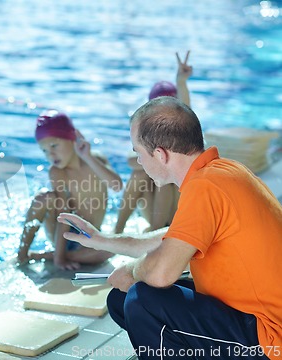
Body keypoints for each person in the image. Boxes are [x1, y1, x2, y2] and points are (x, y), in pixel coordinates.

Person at [58, 96, 282, 359]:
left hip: (268, 339)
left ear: (160, 154)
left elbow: (161, 273)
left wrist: (132, 270)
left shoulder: (205, 187)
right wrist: (103, 239)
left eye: (138, 153)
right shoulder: (224, 172)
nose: (139, 162)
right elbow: (168, 238)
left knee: (143, 300)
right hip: (252, 318)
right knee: (122, 300)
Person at [17, 110, 123, 270]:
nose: (50, 154)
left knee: (108, 252)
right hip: (62, 235)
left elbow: (116, 186)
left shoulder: (96, 160)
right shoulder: (58, 172)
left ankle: (44, 256)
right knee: (44, 198)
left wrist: (87, 157)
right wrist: (60, 258)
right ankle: (22, 254)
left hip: (88, 237)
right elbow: (63, 212)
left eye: (54, 145)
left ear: (72, 137)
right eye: (44, 150)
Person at [115, 51, 192, 234]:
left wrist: (181, 82)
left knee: (166, 175)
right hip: (154, 210)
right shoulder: (145, 135)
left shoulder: (184, 135)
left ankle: (156, 233)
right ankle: (117, 231)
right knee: (140, 175)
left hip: (177, 212)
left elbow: (187, 110)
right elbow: (131, 160)